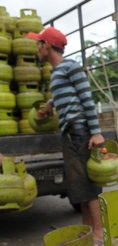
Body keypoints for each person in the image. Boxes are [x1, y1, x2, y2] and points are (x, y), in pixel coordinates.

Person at [28, 27, 105, 244]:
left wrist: (96, 132)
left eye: (38, 43)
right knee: (78, 187)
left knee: (87, 186)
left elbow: (86, 99)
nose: (37, 48)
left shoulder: (70, 67)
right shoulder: (57, 73)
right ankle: (88, 230)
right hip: (70, 134)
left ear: (47, 46)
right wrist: (49, 106)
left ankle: (99, 235)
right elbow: (63, 95)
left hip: (79, 132)